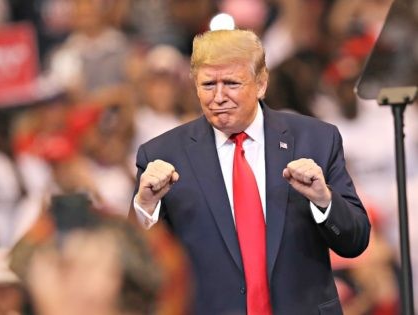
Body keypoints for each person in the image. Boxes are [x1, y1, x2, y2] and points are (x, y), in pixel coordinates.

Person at [130, 29, 370, 315]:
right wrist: (145, 208)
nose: (218, 97)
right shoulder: (162, 155)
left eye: (231, 83)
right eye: (208, 84)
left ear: (261, 84)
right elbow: (137, 266)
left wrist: (324, 200)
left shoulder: (316, 139)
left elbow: (355, 241)